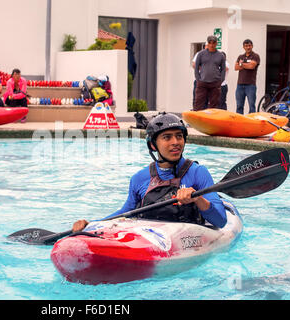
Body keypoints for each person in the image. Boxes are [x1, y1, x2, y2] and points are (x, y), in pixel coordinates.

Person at [72, 113, 227, 233]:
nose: (175, 142)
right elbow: (126, 213)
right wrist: (92, 225)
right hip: (153, 239)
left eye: (179, 136)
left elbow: (221, 221)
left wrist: (198, 198)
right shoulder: (139, 179)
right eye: (167, 137)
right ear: (153, 145)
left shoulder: (198, 172)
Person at [193, 35, 226, 110]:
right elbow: (196, 67)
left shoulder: (220, 55)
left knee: (214, 105)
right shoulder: (200, 54)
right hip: (202, 83)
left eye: (213, 43)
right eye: (210, 43)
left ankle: (211, 120)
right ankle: (196, 120)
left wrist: (220, 80)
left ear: (216, 43)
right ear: (207, 43)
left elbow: (223, 69)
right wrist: (198, 79)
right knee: (198, 103)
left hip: (215, 83)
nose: (211, 45)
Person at [234, 39, 260, 114]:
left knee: (251, 106)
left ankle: (251, 122)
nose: (248, 47)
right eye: (246, 46)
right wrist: (246, 65)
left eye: (249, 45)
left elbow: (252, 66)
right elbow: (236, 68)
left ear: (252, 46)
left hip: (250, 85)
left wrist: (241, 64)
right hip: (240, 85)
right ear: (243, 47)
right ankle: (239, 122)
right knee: (239, 106)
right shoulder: (240, 56)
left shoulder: (255, 56)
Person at [191, 42, 208, 109]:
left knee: (207, 99)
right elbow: (194, 64)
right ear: (205, 46)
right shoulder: (199, 54)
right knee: (197, 97)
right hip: (200, 80)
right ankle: (195, 113)